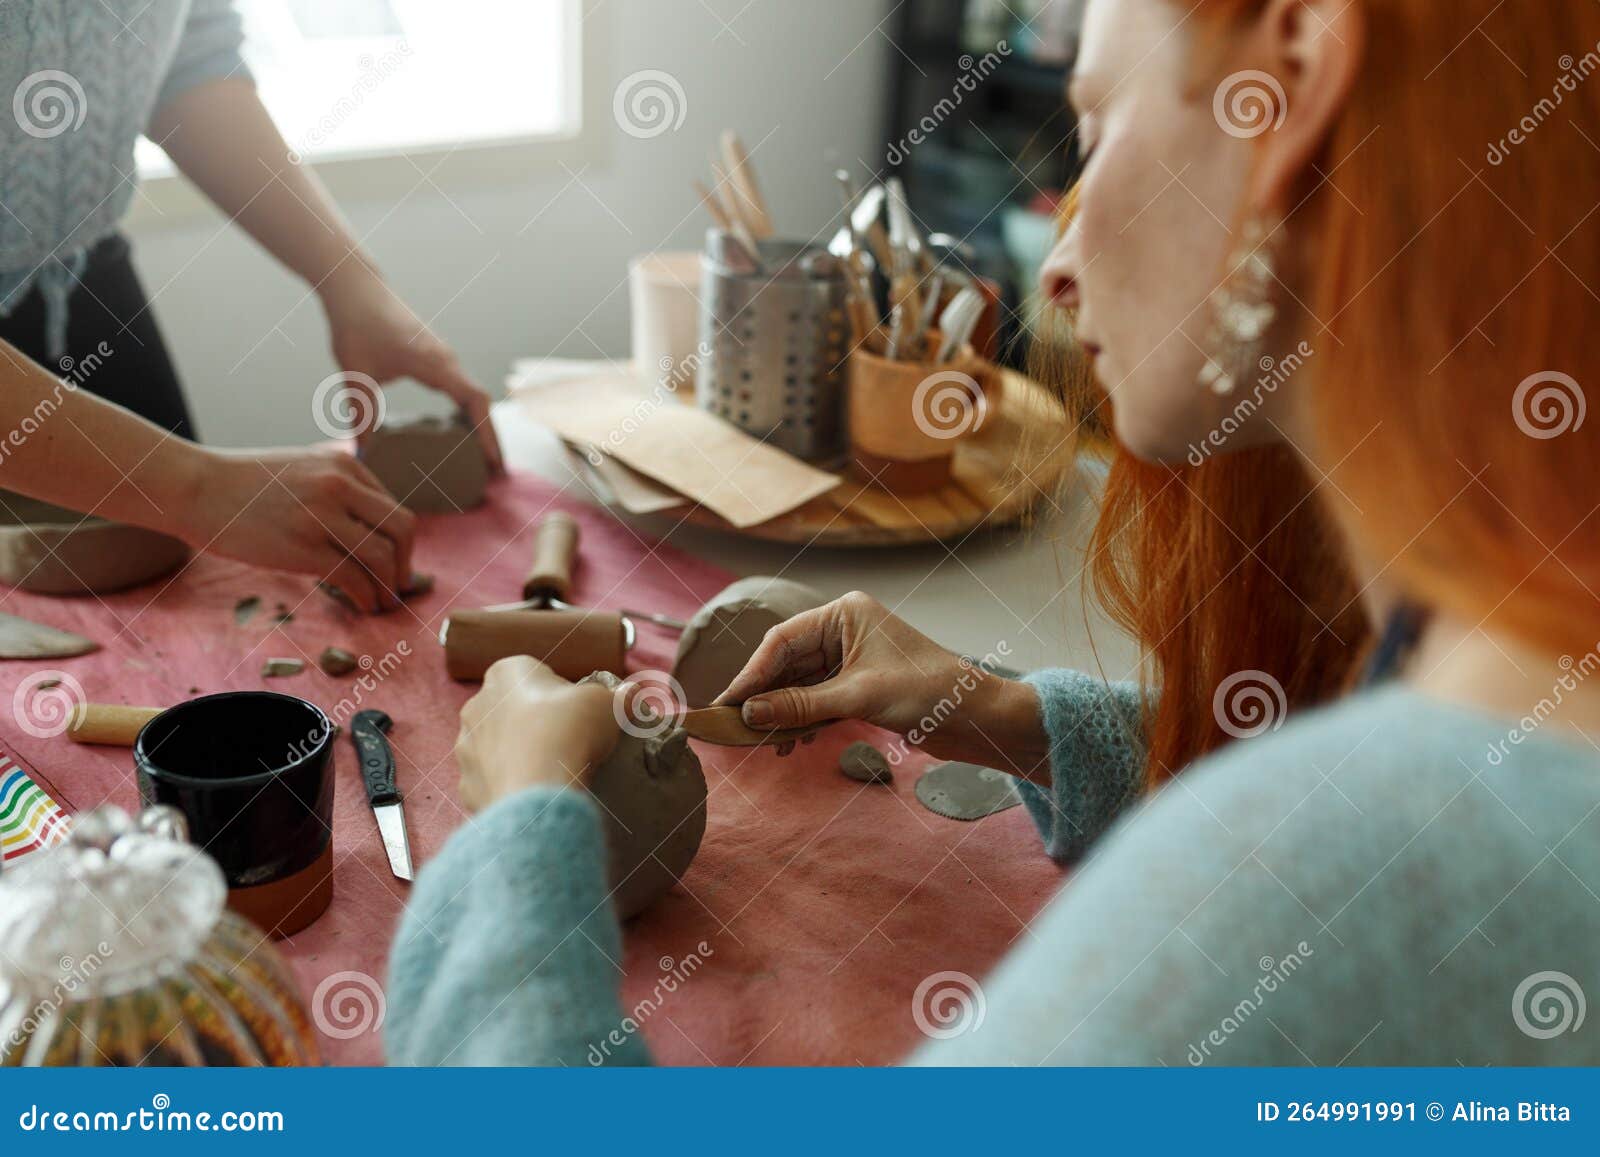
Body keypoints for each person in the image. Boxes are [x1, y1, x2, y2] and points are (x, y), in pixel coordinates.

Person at [387, 0, 1600, 1065]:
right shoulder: (1498, 697)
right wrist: (1008, 713)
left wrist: (522, 837)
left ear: (1289, 83)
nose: (1055, 264)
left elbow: (1328, 852)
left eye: (1096, 127)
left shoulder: (1362, 867)